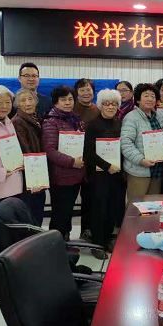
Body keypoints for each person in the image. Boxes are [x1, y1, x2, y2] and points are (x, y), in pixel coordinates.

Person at [84, 89, 126, 255]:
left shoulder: (119, 123)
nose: (110, 107)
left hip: (117, 175)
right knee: (99, 209)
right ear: (100, 105)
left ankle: (108, 239)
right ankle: (97, 244)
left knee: (112, 208)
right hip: (99, 175)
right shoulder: (92, 125)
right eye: (106, 104)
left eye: (114, 104)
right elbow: (88, 153)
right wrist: (107, 166)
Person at [42, 85, 85, 239]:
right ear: (55, 102)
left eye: (70, 99)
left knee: (67, 212)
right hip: (61, 177)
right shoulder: (51, 122)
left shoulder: (76, 119)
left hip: (76, 175)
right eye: (63, 99)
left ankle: (65, 240)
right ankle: (56, 243)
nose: (67, 102)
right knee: (60, 214)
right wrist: (72, 162)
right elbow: (49, 150)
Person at [121, 83, 163, 202]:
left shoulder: (158, 117)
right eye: (146, 95)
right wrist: (141, 160)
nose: (150, 99)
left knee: (154, 205)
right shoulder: (131, 117)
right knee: (136, 206)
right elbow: (125, 143)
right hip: (139, 171)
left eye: (153, 96)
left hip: (157, 170)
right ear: (138, 100)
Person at [12, 88, 46, 226]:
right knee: (31, 211)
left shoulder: (36, 118)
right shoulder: (17, 121)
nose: (27, 103)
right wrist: (35, 177)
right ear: (17, 104)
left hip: (39, 171)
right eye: (23, 100)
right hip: (31, 174)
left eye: (30, 99)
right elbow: (24, 149)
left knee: (38, 209)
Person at [73, 78, 98, 241]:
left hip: (93, 162)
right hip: (74, 161)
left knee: (90, 198)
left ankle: (88, 231)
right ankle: (64, 235)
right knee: (69, 200)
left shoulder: (97, 110)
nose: (86, 93)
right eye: (82, 90)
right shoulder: (71, 108)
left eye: (88, 89)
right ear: (76, 93)